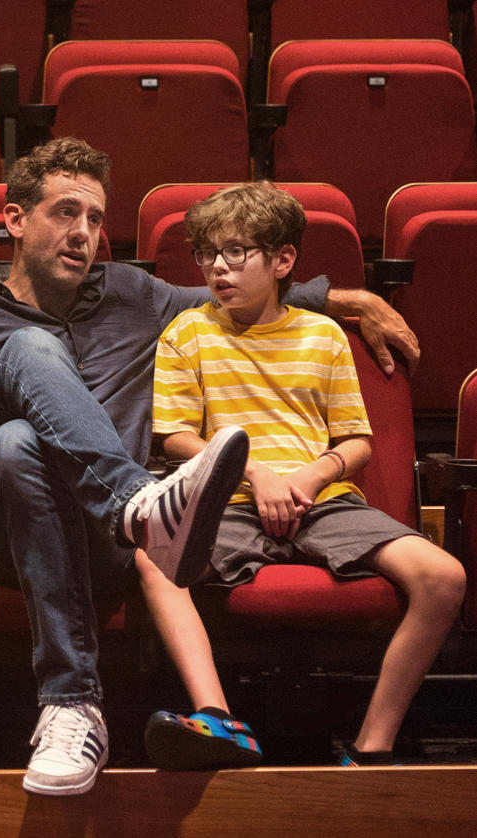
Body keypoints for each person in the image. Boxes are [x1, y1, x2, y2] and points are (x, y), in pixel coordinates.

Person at [0, 137, 421, 795]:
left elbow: (244, 293)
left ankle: (71, 707)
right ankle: (137, 504)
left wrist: (350, 300)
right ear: (14, 219)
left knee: (18, 440)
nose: (84, 233)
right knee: (25, 356)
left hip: (101, 544)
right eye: (65, 213)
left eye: (95, 219)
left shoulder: (133, 293)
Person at [145, 182, 465, 768]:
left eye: (235, 252)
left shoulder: (324, 337)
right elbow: (175, 438)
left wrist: (311, 478)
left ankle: (372, 748)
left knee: (443, 577)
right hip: (230, 500)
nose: (218, 268)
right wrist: (255, 474)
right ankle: (217, 719)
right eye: (207, 254)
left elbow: (356, 441)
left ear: (283, 259)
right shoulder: (186, 333)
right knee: (153, 558)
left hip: (323, 499)